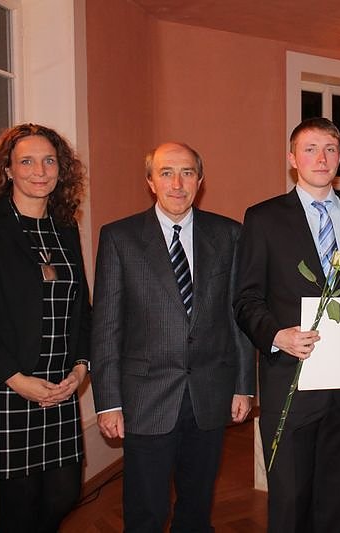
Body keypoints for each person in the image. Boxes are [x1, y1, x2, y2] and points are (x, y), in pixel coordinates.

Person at [89, 142, 255, 532]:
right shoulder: (120, 237)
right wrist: (108, 402)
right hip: (145, 398)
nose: (177, 184)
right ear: (150, 181)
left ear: (200, 180)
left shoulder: (229, 234)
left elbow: (238, 317)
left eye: (187, 173)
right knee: (145, 511)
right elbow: (106, 326)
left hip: (209, 394)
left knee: (197, 508)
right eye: (166, 173)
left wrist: (243, 387)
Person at [234, 117, 340, 532]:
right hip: (289, 380)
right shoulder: (263, 218)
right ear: (292, 158)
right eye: (311, 149)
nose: (322, 158)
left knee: (334, 498)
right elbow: (246, 298)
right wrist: (276, 335)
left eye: (331, 149)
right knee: (289, 500)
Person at [0, 123, 90, 533]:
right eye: (26, 161)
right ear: (8, 169)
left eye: (49, 161)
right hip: (2, 386)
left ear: (61, 169)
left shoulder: (65, 227)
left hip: (57, 386)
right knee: (20, 505)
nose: (39, 171)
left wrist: (81, 367)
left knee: (64, 494)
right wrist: (15, 379)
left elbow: (82, 307)